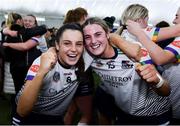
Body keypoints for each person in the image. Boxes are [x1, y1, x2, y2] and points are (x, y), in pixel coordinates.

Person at [81, 17, 171, 125]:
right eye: (87, 37)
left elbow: (166, 90)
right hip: (125, 115)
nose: (93, 41)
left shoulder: (133, 53)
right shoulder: (90, 57)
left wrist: (157, 81)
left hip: (154, 116)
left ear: (107, 34)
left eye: (98, 34)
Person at [12, 23, 93, 125]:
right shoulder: (43, 62)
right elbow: (22, 111)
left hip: (55, 117)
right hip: (30, 114)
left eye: (79, 44)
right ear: (58, 45)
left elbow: (107, 39)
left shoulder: (85, 57)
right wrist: (41, 72)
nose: (74, 49)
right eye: (67, 43)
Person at [124, 6, 180, 124]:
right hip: (151, 104)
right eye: (147, 19)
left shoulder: (122, 36)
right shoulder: (141, 35)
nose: (174, 21)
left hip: (129, 102)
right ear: (140, 20)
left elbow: (161, 58)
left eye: (177, 17)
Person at [63, 7, 94, 125]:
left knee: (72, 110)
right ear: (80, 18)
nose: (88, 19)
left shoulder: (65, 33)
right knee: (87, 115)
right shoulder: (80, 34)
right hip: (81, 76)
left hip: (68, 75)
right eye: (86, 17)